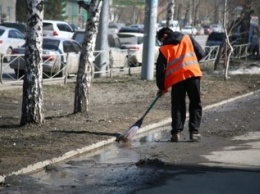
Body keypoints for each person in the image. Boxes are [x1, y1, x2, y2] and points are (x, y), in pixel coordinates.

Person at [156, 27, 205, 142]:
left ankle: (176, 133)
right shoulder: (187, 38)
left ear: (164, 36)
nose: (162, 42)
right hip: (193, 74)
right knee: (195, 102)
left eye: (161, 39)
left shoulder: (164, 49)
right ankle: (194, 132)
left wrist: (162, 87)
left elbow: (160, 71)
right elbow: (201, 53)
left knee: (177, 105)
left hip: (177, 79)